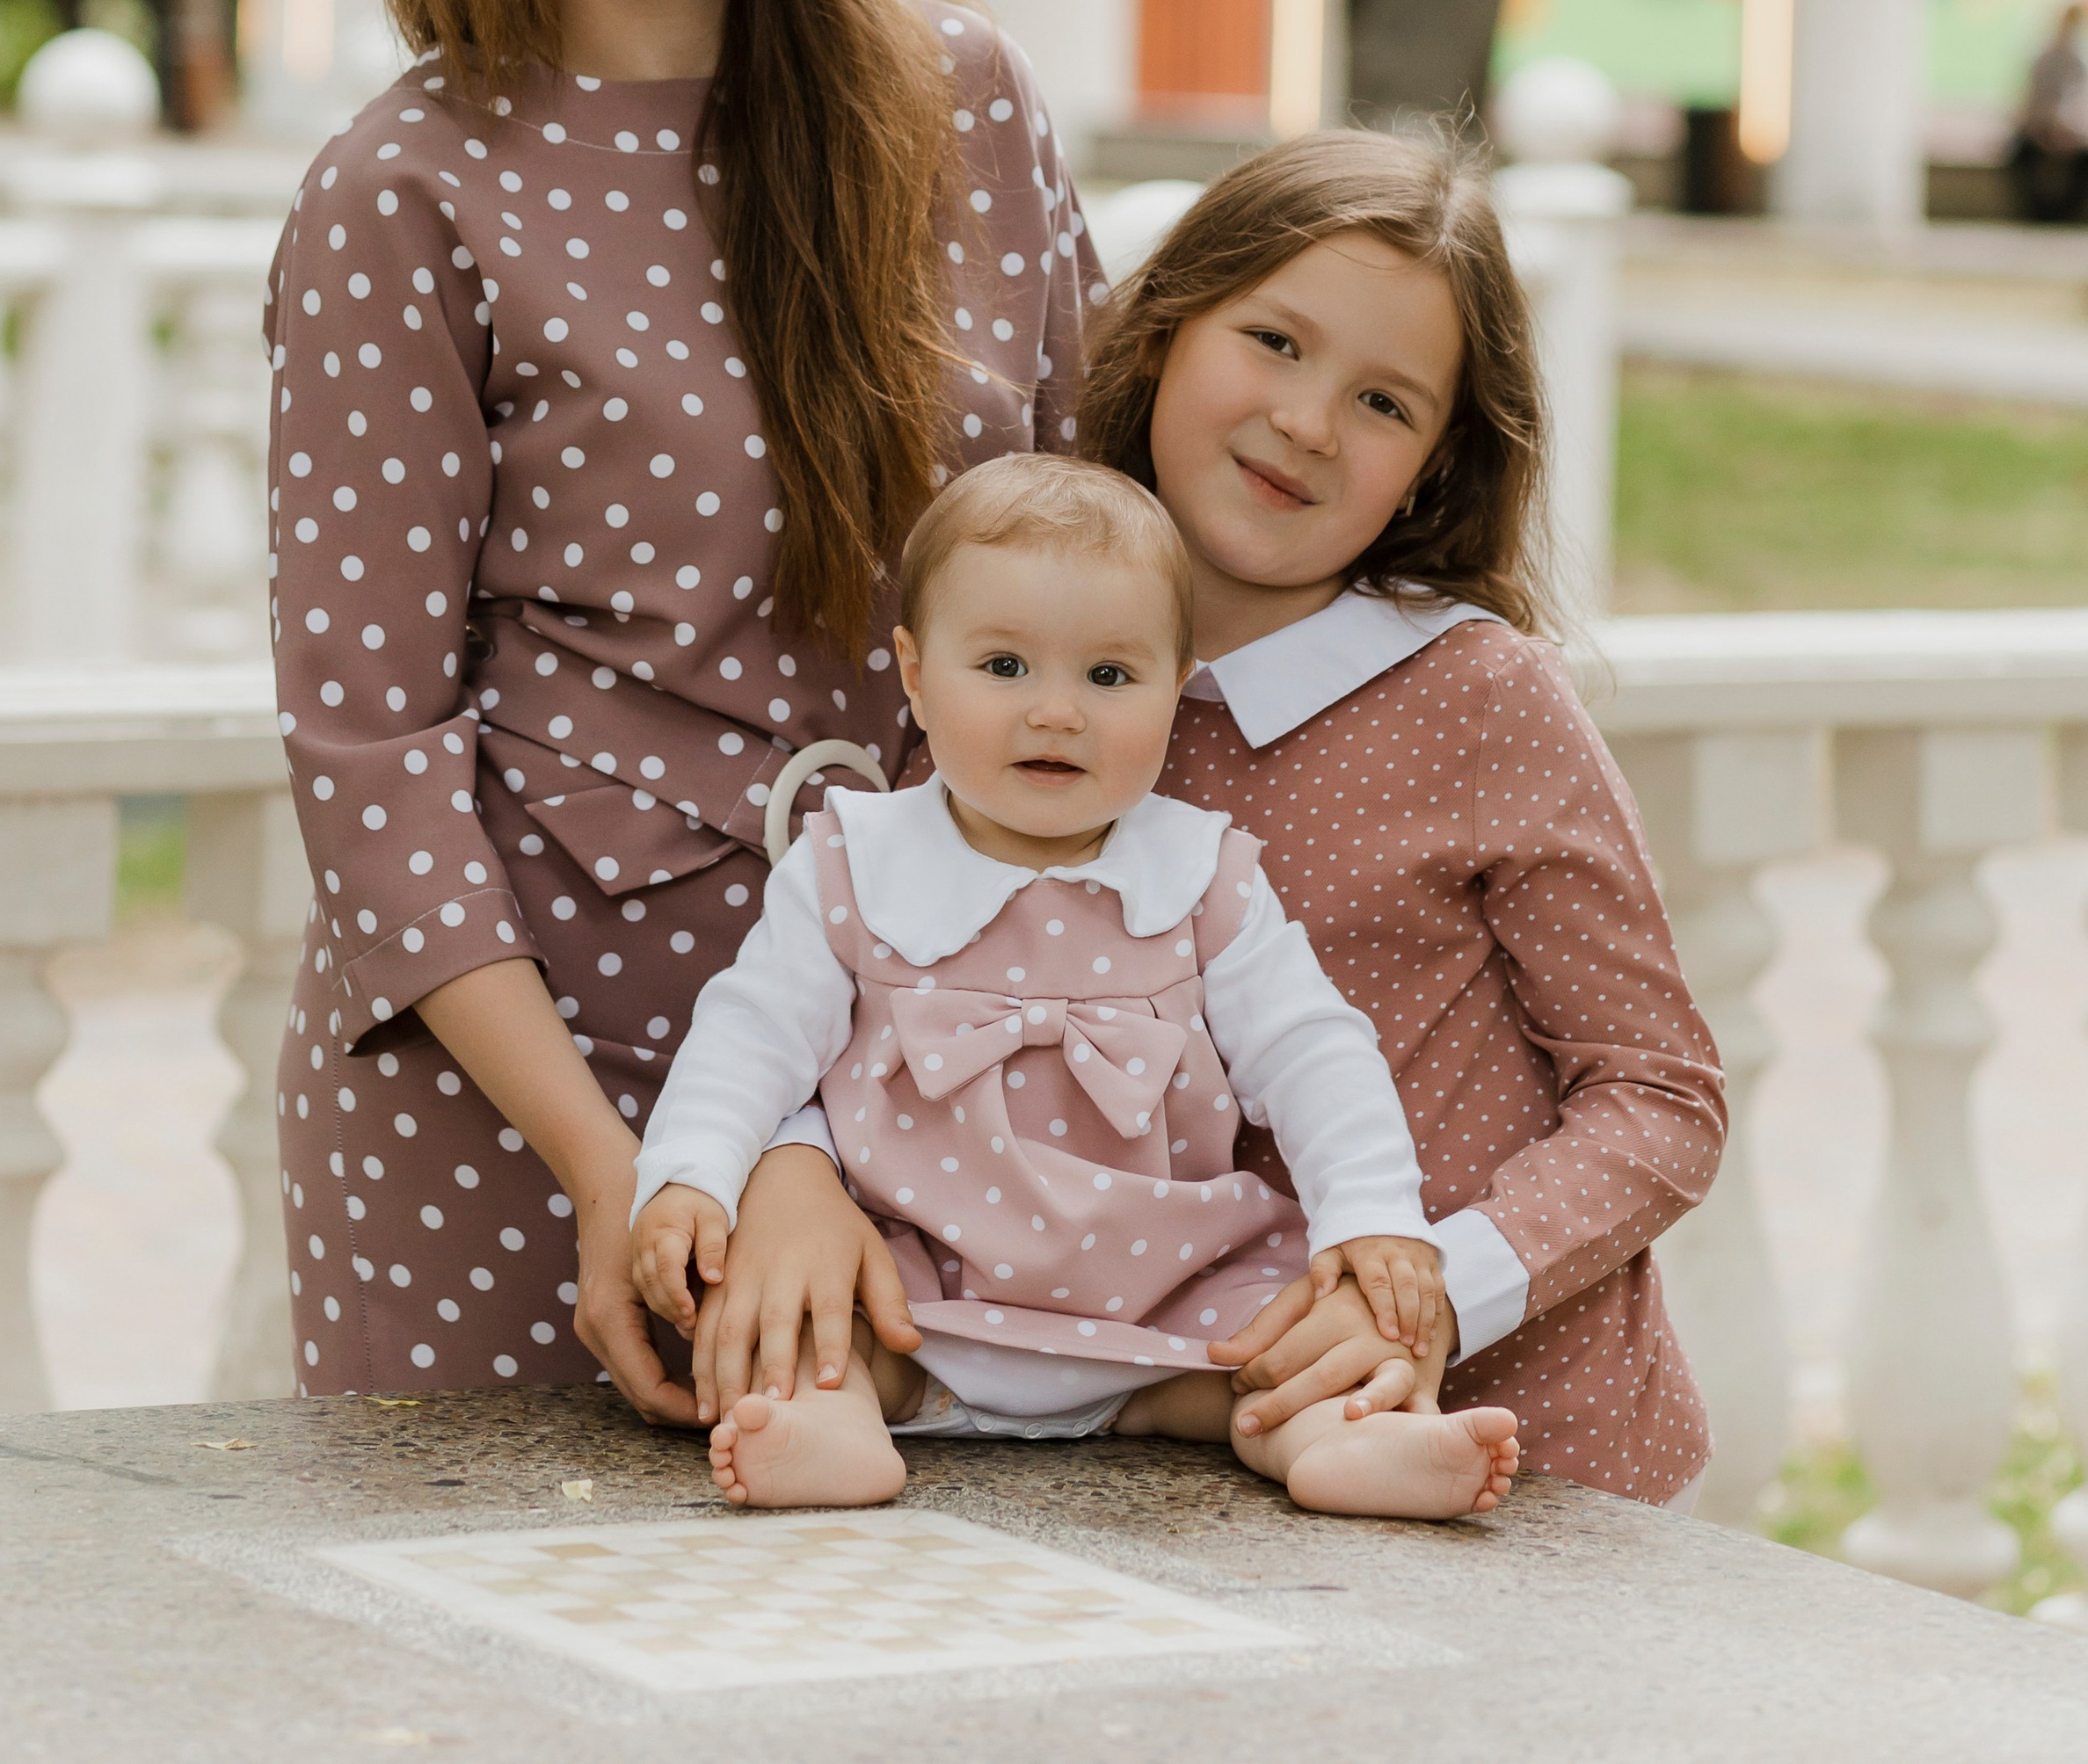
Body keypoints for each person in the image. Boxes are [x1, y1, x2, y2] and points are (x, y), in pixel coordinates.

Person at [267, 0, 1098, 1401]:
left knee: (910, 1674)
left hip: (936, 1066)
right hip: (528, 1110)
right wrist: (612, 1173)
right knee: (501, 1686)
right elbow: (374, 748)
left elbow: (1094, 553)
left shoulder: (959, 106)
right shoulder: (407, 190)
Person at [702, 129, 1724, 1508]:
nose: (1307, 421)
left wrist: (1434, 1291)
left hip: (1525, 1434)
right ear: (1167, 332)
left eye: (1385, 401)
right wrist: (791, 1169)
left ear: (1433, 463)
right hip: (1155, 1429)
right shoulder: (1013, 652)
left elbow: (1659, 1094)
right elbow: (873, 979)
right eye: (1276, 343)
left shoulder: (1478, 696)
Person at [630, 454, 1522, 1520]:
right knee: (795, 1321)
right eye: (1003, 667)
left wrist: (1373, 1216)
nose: (1056, 713)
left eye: (1108, 678)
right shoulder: (851, 864)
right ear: (914, 675)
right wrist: (689, 1174)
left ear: (1174, 684)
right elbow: (749, 1036)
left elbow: (1312, 1051)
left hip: (1170, 1293)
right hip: (923, 1284)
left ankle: (1341, 1443)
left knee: (1285, 1345)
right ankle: (827, 1426)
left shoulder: (1202, 876)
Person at [2010, 0, 2088, 225]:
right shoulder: (2043, 58)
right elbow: (2033, 102)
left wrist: (2069, 131)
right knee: (2021, 155)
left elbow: (2077, 105)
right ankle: (2035, 213)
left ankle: (2066, 214)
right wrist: (2046, 129)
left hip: (2071, 133)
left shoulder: (2080, 62)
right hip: (2041, 130)